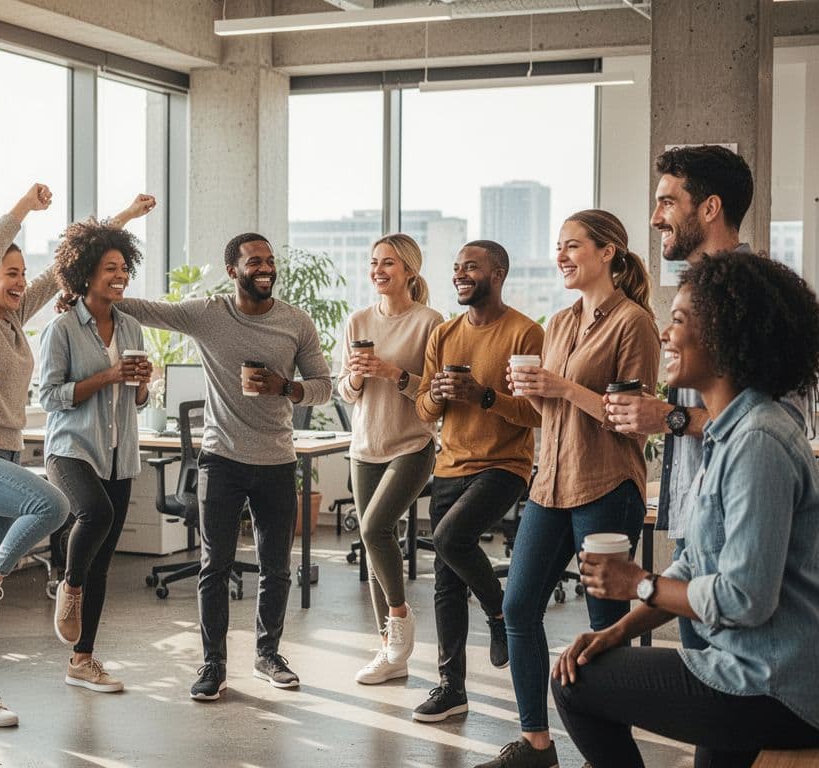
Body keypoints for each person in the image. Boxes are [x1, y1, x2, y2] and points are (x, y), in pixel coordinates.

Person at [553, 251, 819, 767]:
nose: (666, 335)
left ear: (727, 335)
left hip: (778, 687)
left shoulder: (757, 440)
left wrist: (636, 584)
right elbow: (693, 565)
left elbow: (744, 599)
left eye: (679, 321)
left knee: (577, 686)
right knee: (595, 663)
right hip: (765, 672)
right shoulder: (729, 431)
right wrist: (616, 630)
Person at [0, 188, 154, 725]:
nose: (18, 282)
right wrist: (18, 211)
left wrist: (122, 218)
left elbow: (71, 261)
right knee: (55, 508)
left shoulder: (16, 320)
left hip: (5, 457)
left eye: (21, 273)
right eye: (8, 272)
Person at [116, 233, 334, 701]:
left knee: (276, 568)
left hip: (277, 459)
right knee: (213, 566)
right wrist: (91, 297)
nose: (266, 268)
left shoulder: (295, 322)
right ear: (233, 270)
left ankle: (268, 654)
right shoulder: (209, 314)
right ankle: (213, 663)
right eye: (255, 261)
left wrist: (286, 388)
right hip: (221, 459)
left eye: (270, 261)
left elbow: (324, 387)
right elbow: (150, 309)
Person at [480, 210, 660, 768]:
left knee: (605, 627)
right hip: (550, 484)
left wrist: (559, 384)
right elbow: (549, 414)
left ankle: (607, 755)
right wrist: (534, 391)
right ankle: (537, 744)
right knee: (516, 606)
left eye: (572, 245)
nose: (561, 255)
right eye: (558, 246)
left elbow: (628, 417)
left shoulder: (634, 323)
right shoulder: (557, 323)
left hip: (606, 484)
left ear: (608, 253)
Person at [604, 145, 760, 655]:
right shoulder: (699, 288)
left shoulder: (753, 297)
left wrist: (667, 416)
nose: (654, 218)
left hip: (733, 524)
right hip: (695, 519)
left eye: (668, 203)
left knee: (721, 692)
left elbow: (768, 418)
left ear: (710, 208)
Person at [409, 240, 543, 722]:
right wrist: (441, 397)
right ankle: (451, 686)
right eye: (457, 267)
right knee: (446, 579)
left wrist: (485, 396)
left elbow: (535, 412)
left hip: (504, 466)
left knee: (448, 538)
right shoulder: (443, 334)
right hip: (449, 466)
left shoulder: (526, 333)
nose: (461, 274)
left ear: (499, 274)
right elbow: (423, 407)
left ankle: (499, 612)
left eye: (472, 267)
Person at [38, 199, 157, 693]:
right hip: (71, 449)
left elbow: (138, 399)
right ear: (86, 273)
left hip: (118, 452)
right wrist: (107, 376)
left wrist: (144, 383)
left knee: (105, 556)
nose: (120, 275)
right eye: (111, 268)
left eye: (124, 267)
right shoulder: (62, 329)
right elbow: (49, 396)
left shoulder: (130, 326)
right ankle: (68, 581)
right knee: (97, 515)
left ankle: (82, 660)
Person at [338, 233, 442, 686]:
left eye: (388, 264)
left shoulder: (430, 322)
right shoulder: (358, 319)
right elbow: (344, 388)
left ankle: (399, 619)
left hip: (411, 446)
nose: (378, 271)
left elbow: (434, 394)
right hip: (364, 447)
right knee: (378, 545)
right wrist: (358, 380)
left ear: (410, 271)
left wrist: (393, 373)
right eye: (374, 263)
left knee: (373, 528)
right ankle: (390, 653)